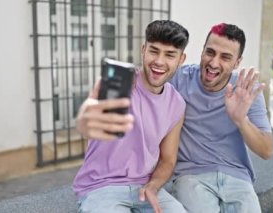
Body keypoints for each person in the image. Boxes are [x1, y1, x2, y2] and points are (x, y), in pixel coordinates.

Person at [73, 20, 189, 213]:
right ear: (143, 50)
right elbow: (88, 120)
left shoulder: (176, 103)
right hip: (101, 186)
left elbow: (168, 159)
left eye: (169, 55)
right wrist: (84, 120)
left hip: (145, 187)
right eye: (154, 51)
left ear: (181, 59)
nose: (159, 61)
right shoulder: (121, 84)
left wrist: (153, 186)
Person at [169, 23, 273, 213]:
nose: (214, 63)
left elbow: (267, 150)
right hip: (191, 175)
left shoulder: (247, 89)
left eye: (225, 57)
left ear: (237, 62)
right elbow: (142, 83)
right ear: (202, 51)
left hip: (237, 177)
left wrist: (241, 120)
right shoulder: (179, 79)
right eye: (210, 52)